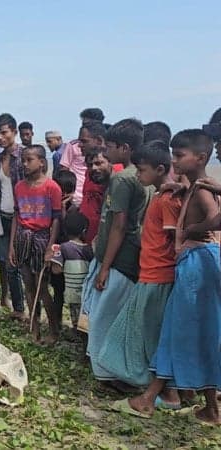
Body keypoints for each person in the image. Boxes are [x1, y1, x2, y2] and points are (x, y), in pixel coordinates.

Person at [117, 129, 221, 425]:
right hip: (194, 262)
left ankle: (149, 399)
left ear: (200, 158)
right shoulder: (193, 187)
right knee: (197, 332)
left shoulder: (202, 189)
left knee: (180, 332)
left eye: (179, 156)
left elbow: (216, 218)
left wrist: (188, 231)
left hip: (198, 263)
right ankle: (210, 408)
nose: (174, 161)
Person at [95, 141, 180, 389]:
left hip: (157, 274)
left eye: (142, 170)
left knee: (150, 333)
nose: (138, 174)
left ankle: (165, 390)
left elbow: (174, 241)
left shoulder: (166, 200)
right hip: (148, 271)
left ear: (161, 169)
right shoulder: (159, 196)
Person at [81, 118, 149, 384]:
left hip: (119, 259)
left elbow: (119, 225)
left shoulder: (122, 178)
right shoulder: (144, 177)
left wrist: (105, 267)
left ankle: (106, 372)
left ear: (124, 148)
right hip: (132, 256)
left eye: (108, 147)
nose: (105, 151)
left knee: (103, 315)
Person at [9, 145, 62, 343]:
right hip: (23, 237)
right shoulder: (19, 187)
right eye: (23, 160)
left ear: (41, 162)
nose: (24, 164)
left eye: (29, 160)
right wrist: (12, 245)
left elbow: (56, 219)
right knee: (28, 285)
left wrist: (50, 246)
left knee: (42, 286)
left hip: (42, 238)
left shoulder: (52, 187)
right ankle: (34, 327)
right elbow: (16, 215)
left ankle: (54, 329)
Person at [0, 113, 26, 318]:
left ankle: (33, 309)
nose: (0, 138)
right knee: (8, 264)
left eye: (4, 133)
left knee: (26, 265)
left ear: (14, 132)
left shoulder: (24, 157)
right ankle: (19, 309)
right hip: (4, 216)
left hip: (24, 219)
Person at [50, 210, 93, 334]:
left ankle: (77, 333)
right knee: (85, 318)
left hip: (72, 292)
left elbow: (56, 270)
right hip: (87, 294)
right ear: (84, 231)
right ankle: (86, 343)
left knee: (76, 318)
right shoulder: (89, 249)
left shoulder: (63, 248)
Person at [76, 121, 110, 243]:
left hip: (100, 241)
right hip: (85, 237)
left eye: (84, 141)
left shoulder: (110, 173)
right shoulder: (90, 171)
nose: (79, 145)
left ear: (99, 140)